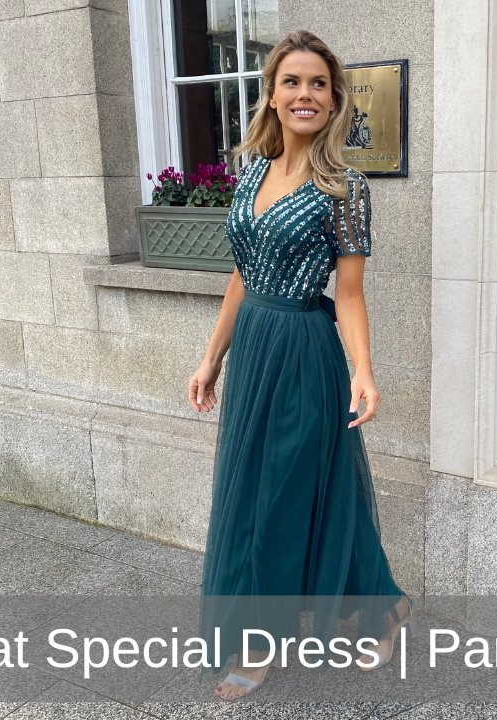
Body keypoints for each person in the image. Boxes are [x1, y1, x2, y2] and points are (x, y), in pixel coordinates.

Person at [185, 30, 410, 701]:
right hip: (254, 350)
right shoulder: (251, 171)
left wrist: (363, 369)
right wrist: (212, 357)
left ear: (334, 99)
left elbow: (350, 294)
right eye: (292, 81)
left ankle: (259, 641)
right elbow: (241, 274)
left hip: (306, 353)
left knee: (280, 499)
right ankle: (383, 605)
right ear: (273, 94)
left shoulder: (344, 187)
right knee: (283, 490)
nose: (305, 94)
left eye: (318, 83)